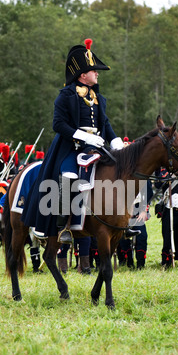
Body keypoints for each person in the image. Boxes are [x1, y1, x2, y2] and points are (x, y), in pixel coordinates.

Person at [22, 38, 125, 244]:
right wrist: (84, 135)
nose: (97, 73)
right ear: (83, 74)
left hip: (95, 147)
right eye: (94, 70)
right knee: (68, 175)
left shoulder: (98, 96)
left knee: (120, 170)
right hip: (71, 148)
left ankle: (123, 220)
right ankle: (64, 226)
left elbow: (104, 123)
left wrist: (115, 141)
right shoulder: (65, 95)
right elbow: (58, 125)